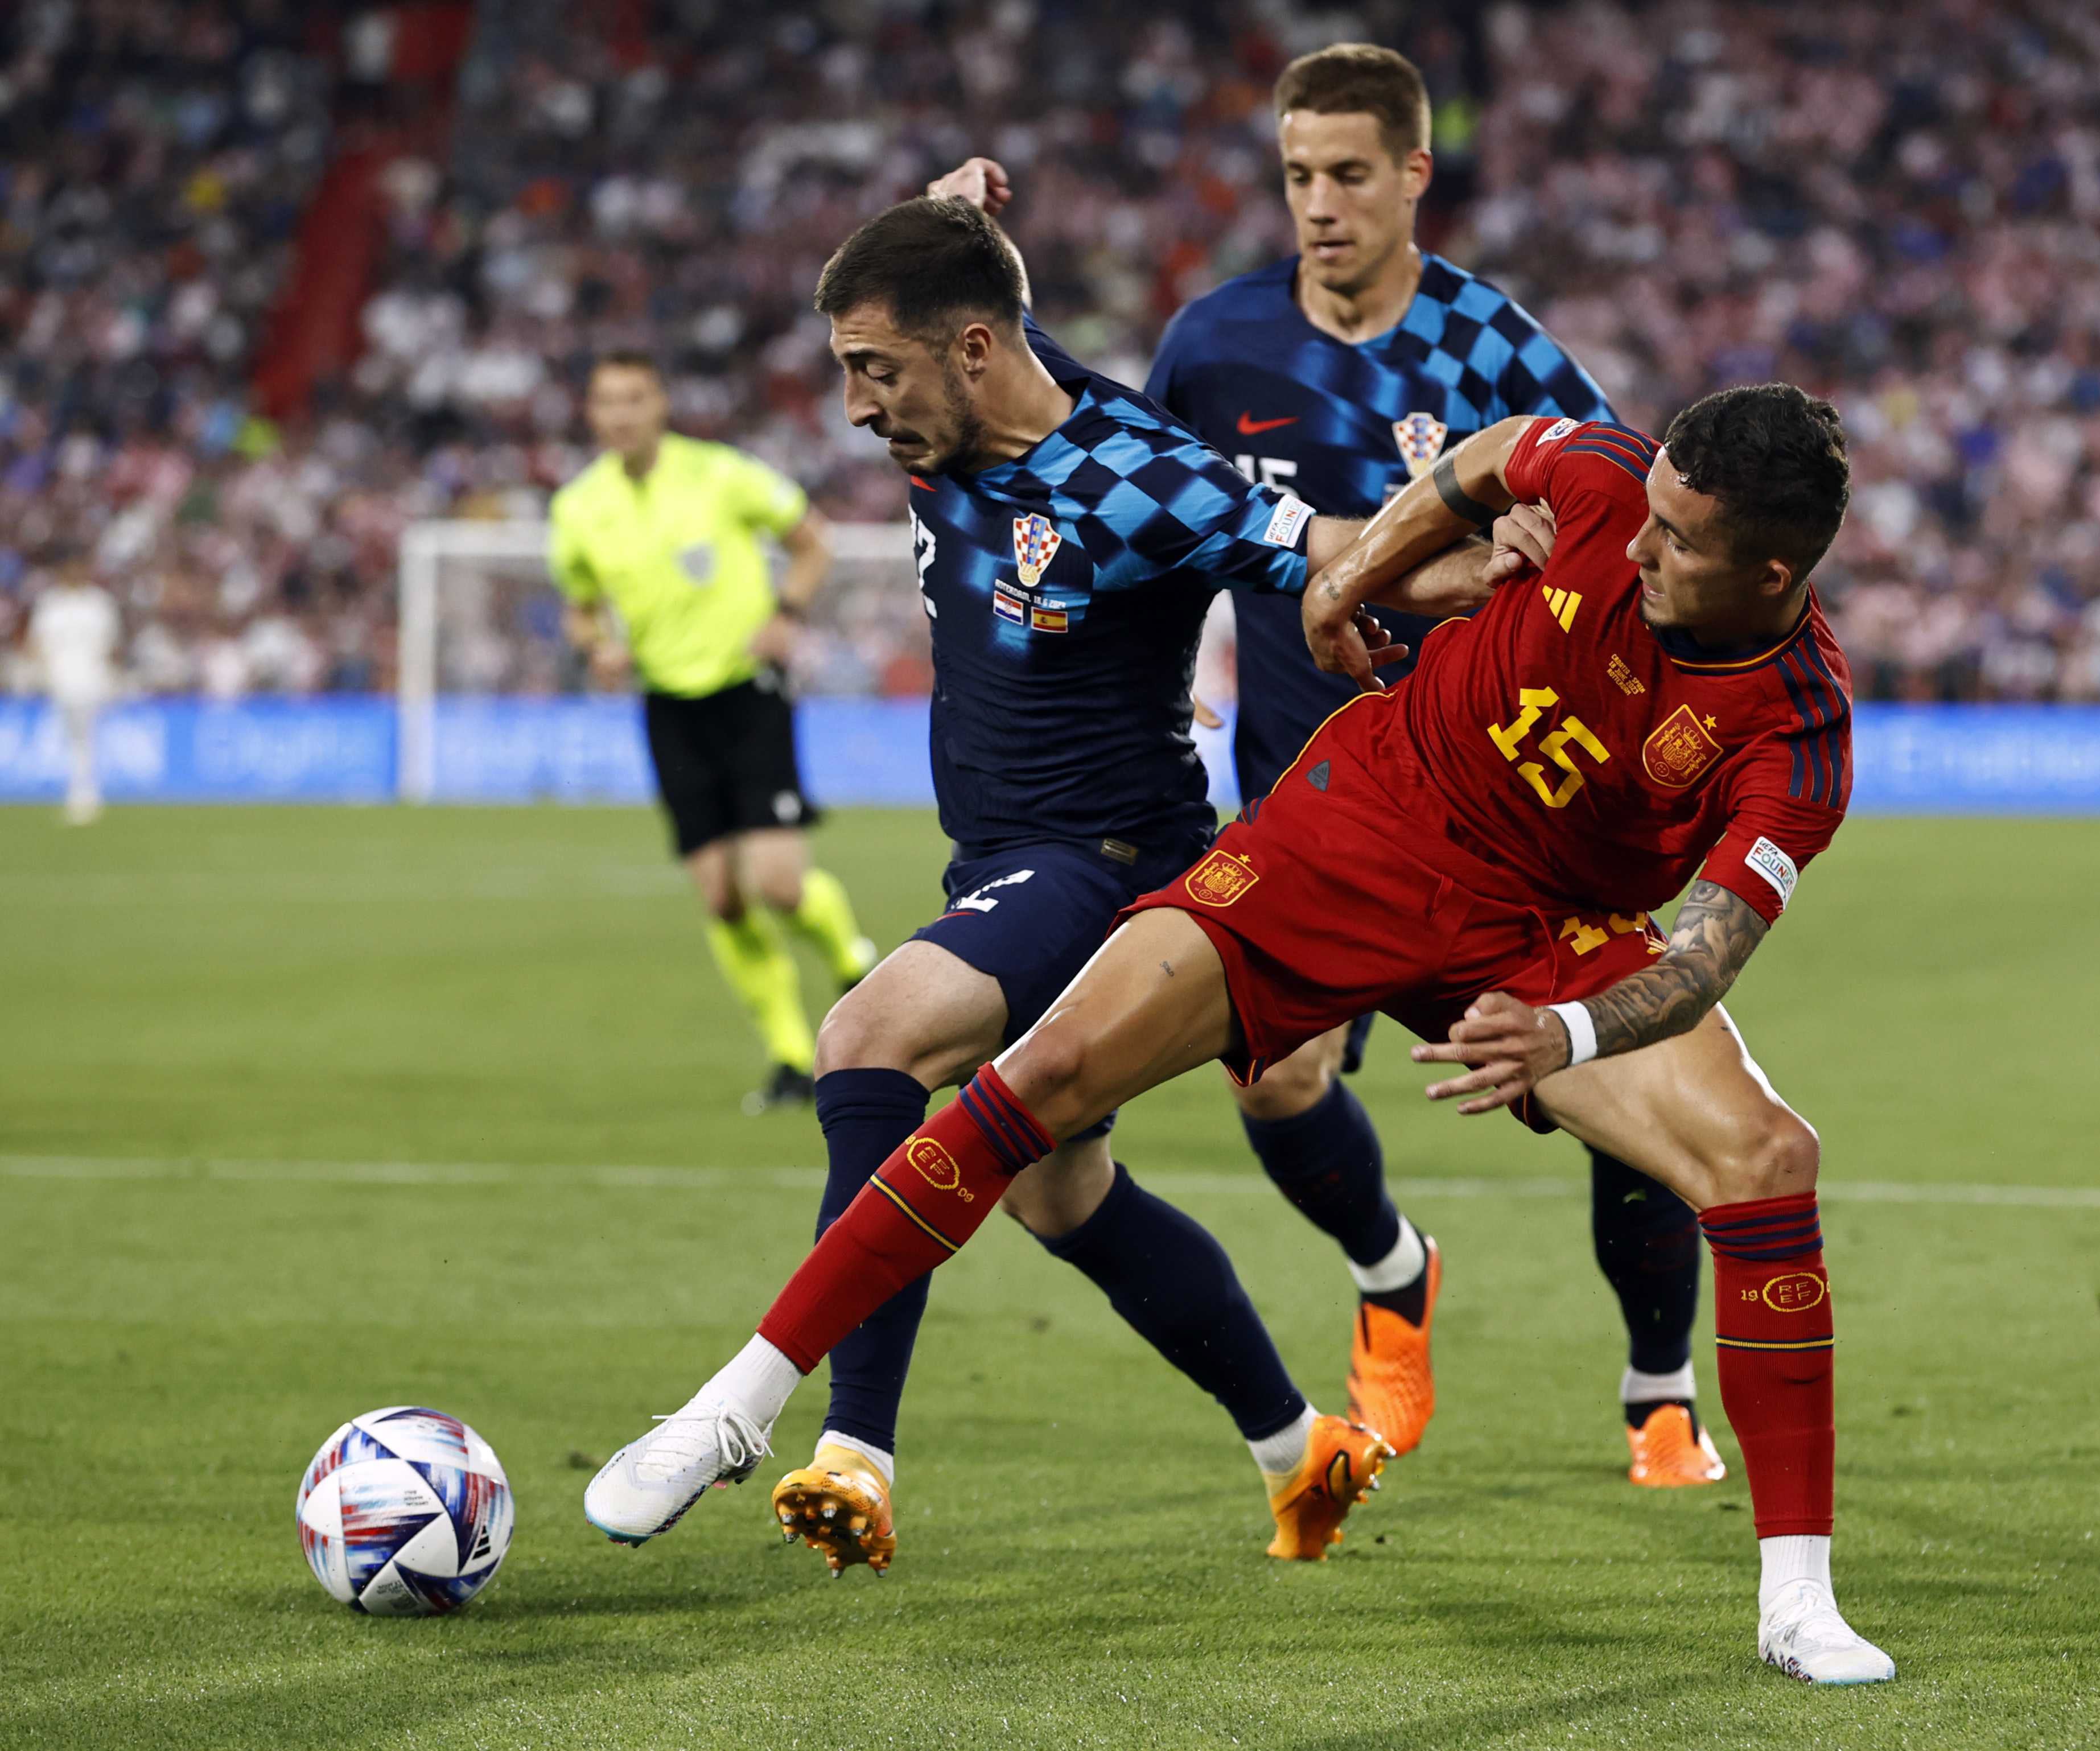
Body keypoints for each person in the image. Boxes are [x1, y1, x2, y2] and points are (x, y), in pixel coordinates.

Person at [583, 388, 1896, 1684]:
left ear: (1771, 569)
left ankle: (1795, 1602)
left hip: (1550, 930)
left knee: (1767, 1156)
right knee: (1042, 1074)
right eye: (1649, 514)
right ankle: (730, 1411)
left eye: (1678, 540)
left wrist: (1561, 1032)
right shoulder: (1612, 479)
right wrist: (1351, 579)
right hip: (1367, 819)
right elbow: (1494, 457)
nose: (1641, 545)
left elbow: (1705, 954)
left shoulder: (1798, 725)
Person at [586, 193, 1505, 1572]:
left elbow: (1330, 546)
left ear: (964, 349)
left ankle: (841, 1443)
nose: (852, 408)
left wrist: (1497, 564)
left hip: (1113, 863)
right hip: (1002, 857)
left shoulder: (1141, 477)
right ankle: (1297, 1448)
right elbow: (1004, 323)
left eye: (872, 370)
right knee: (1058, 1197)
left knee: (869, 1036)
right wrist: (939, 212)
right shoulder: (965, 401)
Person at [1143, 43, 1722, 1485]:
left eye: (1348, 174)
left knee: (1621, 1093)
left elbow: (1630, 528)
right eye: (1295, 177)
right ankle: (1392, 1272)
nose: (1319, 204)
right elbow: (1149, 528)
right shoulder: (1211, 348)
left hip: (1515, 810)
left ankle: (1657, 1391)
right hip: (1319, 793)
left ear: (1414, 173)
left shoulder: (1501, 351)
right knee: (1268, 1082)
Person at [548, 352, 878, 1113]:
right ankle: (792, 1057)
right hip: (669, 705)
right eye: (607, 401)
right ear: (592, 414)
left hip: (747, 693)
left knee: (780, 883)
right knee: (723, 899)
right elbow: (579, 600)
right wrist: (593, 646)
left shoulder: (722, 474)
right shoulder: (578, 508)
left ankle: (853, 959)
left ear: (660, 402)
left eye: (635, 398)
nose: (622, 414)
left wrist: (786, 616)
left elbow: (811, 540)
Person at [27, 558, 119, 826]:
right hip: (60, 681)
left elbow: (111, 644)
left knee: (85, 737)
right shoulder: (51, 604)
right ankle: (80, 792)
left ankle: (84, 794)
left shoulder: (98, 603)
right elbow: (38, 643)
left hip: (92, 680)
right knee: (73, 739)